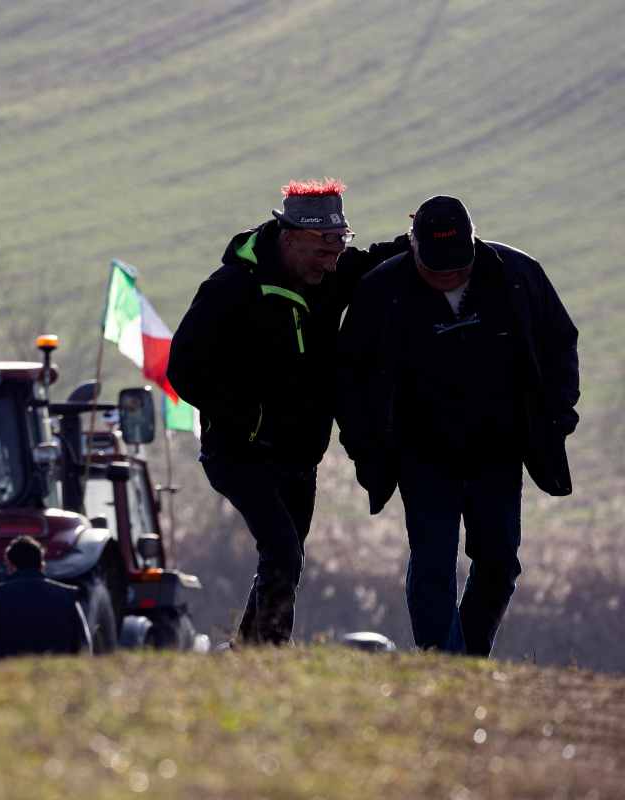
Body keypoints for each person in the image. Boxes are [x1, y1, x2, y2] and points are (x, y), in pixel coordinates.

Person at [167, 178, 409, 646]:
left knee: (285, 558)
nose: (330, 263)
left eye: (337, 251)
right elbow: (183, 369)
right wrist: (250, 421)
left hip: (301, 456)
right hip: (238, 452)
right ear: (289, 236)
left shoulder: (329, 276)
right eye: (320, 252)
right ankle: (272, 653)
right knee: (281, 551)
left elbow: (378, 260)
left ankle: (248, 654)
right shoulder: (230, 288)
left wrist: (425, 238)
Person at [336, 195, 579, 656]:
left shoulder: (519, 276)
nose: (448, 275)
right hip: (421, 453)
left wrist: (557, 418)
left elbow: (560, 345)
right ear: (412, 245)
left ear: (474, 241)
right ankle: (440, 660)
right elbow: (350, 377)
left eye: (457, 266)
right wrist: (363, 444)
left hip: (499, 450)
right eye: (436, 267)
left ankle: (468, 657)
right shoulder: (381, 290)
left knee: (499, 561)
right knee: (432, 561)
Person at [0, 535, 92, 660]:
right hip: (56, 677)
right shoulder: (68, 596)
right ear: (42, 565)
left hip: (8, 678)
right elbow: (84, 645)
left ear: (10, 565)